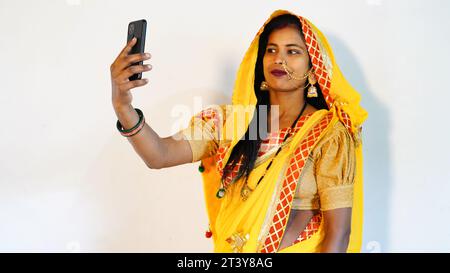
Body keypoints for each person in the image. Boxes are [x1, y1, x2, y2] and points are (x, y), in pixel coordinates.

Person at [110, 9, 368, 253]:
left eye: (293, 51)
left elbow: (338, 234)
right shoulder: (233, 122)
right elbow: (160, 155)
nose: (279, 58)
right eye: (271, 50)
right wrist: (122, 105)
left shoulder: (327, 133)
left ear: (313, 68)